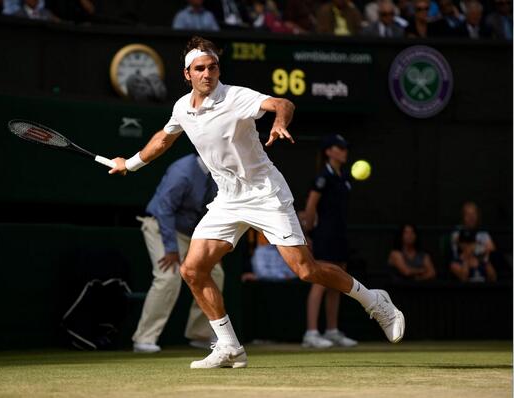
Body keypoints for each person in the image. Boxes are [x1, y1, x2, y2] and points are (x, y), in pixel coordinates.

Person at [108, 36, 405, 369]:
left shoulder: (235, 96)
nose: (208, 73)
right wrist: (129, 163)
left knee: (305, 270)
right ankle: (229, 346)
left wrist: (279, 122)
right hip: (228, 198)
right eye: (200, 69)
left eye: (213, 67)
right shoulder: (181, 108)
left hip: (265, 193)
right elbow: (164, 138)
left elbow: (283, 104)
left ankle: (376, 302)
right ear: (187, 75)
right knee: (193, 269)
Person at [132, 153, 224, 353]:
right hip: (162, 227)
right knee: (168, 277)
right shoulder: (182, 171)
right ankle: (144, 339)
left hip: (193, 234)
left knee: (215, 274)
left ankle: (200, 334)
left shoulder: (219, 172)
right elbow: (165, 209)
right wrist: (171, 249)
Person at [300, 134, 357, 349]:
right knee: (320, 281)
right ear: (329, 152)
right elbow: (310, 207)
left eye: (344, 148)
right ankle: (311, 333)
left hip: (340, 235)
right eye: (339, 148)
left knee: (338, 283)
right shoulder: (322, 177)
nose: (344, 151)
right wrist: (307, 234)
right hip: (324, 235)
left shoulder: (344, 177)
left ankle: (332, 331)